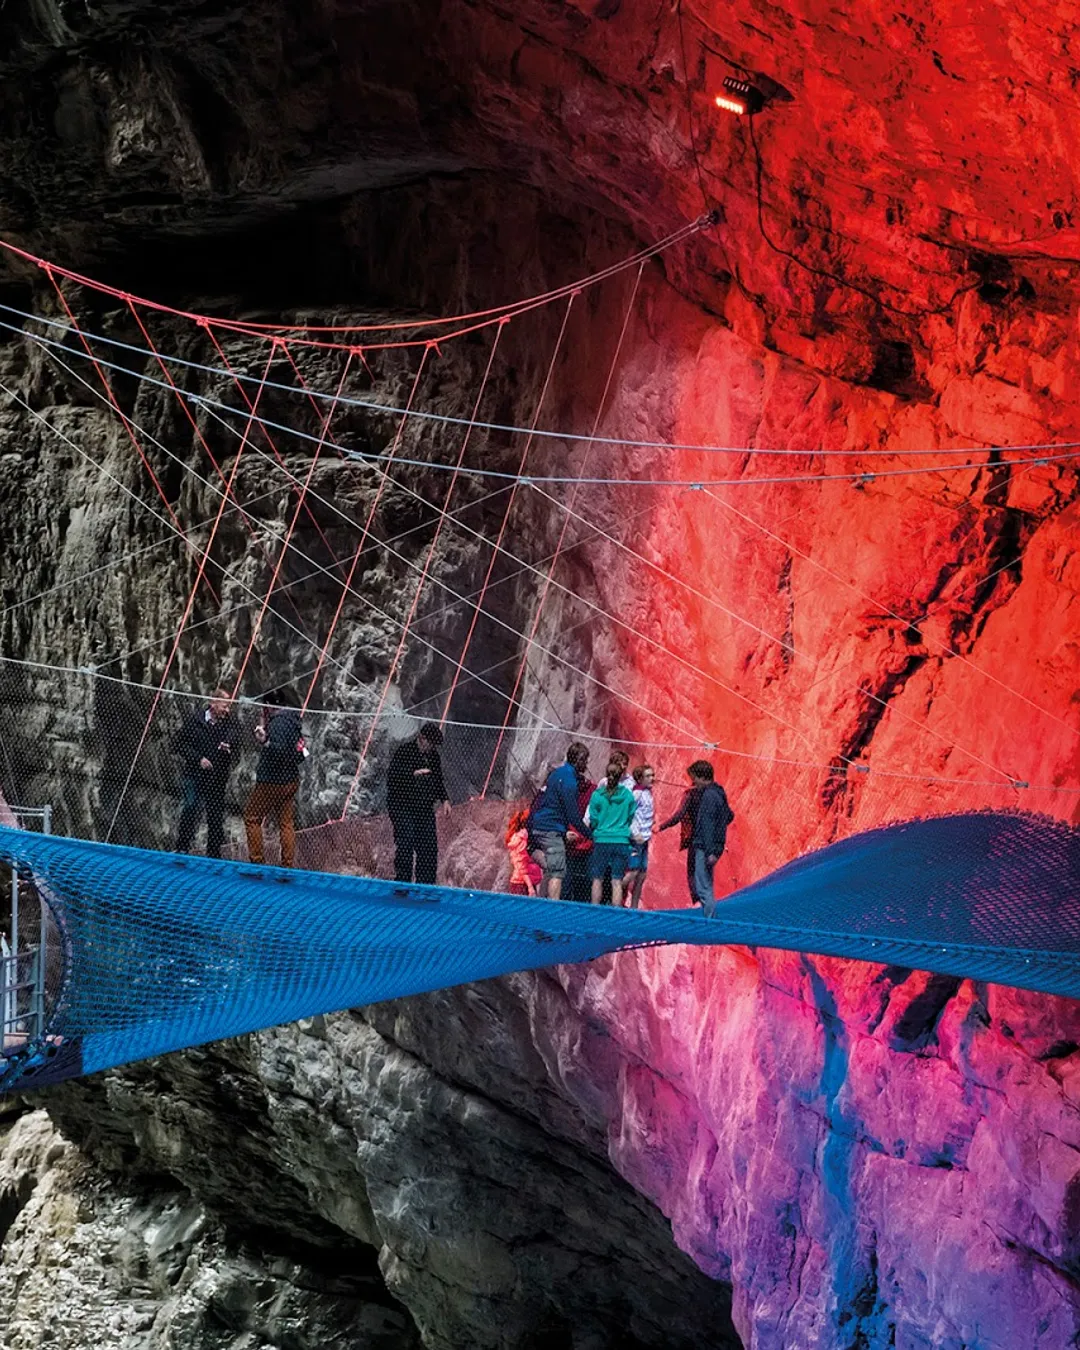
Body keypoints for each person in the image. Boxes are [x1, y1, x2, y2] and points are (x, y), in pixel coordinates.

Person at [658, 760, 734, 917]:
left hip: (702, 845)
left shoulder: (704, 796)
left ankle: (709, 920)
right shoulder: (719, 792)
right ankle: (709, 914)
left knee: (701, 885)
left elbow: (704, 824)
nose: (693, 782)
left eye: (694, 778)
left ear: (701, 777)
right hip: (714, 844)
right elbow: (729, 816)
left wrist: (710, 850)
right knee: (706, 882)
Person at [244, 691, 308, 868]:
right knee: (286, 823)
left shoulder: (277, 724)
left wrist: (265, 741)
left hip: (272, 781)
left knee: (252, 817)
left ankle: (257, 862)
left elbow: (278, 751)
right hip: (290, 780)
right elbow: (301, 752)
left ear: (269, 706)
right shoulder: (293, 722)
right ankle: (287, 864)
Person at [173, 688, 237, 858]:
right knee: (190, 808)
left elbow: (235, 743)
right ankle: (182, 848)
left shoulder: (230, 723)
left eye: (228, 706)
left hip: (216, 777)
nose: (227, 710)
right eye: (224, 706)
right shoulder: (195, 720)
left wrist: (228, 747)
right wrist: (198, 759)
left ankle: (214, 854)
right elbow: (180, 745)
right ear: (213, 703)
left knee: (215, 815)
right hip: (194, 774)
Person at [386, 722, 450, 885]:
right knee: (405, 843)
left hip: (423, 808)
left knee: (428, 847)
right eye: (431, 744)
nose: (432, 748)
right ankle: (403, 883)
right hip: (402, 806)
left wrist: (445, 800)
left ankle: (425, 885)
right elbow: (393, 777)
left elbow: (438, 780)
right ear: (422, 739)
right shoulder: (405, 752)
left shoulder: (433, 757)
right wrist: (413, 774)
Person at [528, 742, 592, 899]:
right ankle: (553, 910)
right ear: (579, 760)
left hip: (539, 825)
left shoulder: (556, 774)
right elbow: (573, 816)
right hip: (551, 828)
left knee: (551, 869)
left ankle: (541, 903)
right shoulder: (570, 782)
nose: (587, 764)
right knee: (558, 871)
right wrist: (590, 835)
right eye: (585, 760)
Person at [587, 757, 636, 906]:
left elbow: (593, 819)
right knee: (617, 881)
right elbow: (631, 816)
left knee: (597, 879)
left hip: (602, 839)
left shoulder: (597, 795)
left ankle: (594, 911)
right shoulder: (628, 795)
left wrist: (599, 825)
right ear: (621, 775)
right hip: (621, 839)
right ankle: (617, 913)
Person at [623, 763, 656, 909]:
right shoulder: (636, 794)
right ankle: (612, 893)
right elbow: (627, 814)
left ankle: (634, 906)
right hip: (636, 838)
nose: (652, 778)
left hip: (645, 838)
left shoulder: (648, 793)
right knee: (633, 871)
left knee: (642, 874)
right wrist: (634, 833)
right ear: (640, 778)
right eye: (648, 776)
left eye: (652, 775)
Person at [505, 807, 542, 896]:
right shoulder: (521, 840)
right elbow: (521, 865)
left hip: (527, 882)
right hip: (522, 884)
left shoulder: (528, 839)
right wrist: (530, 887)